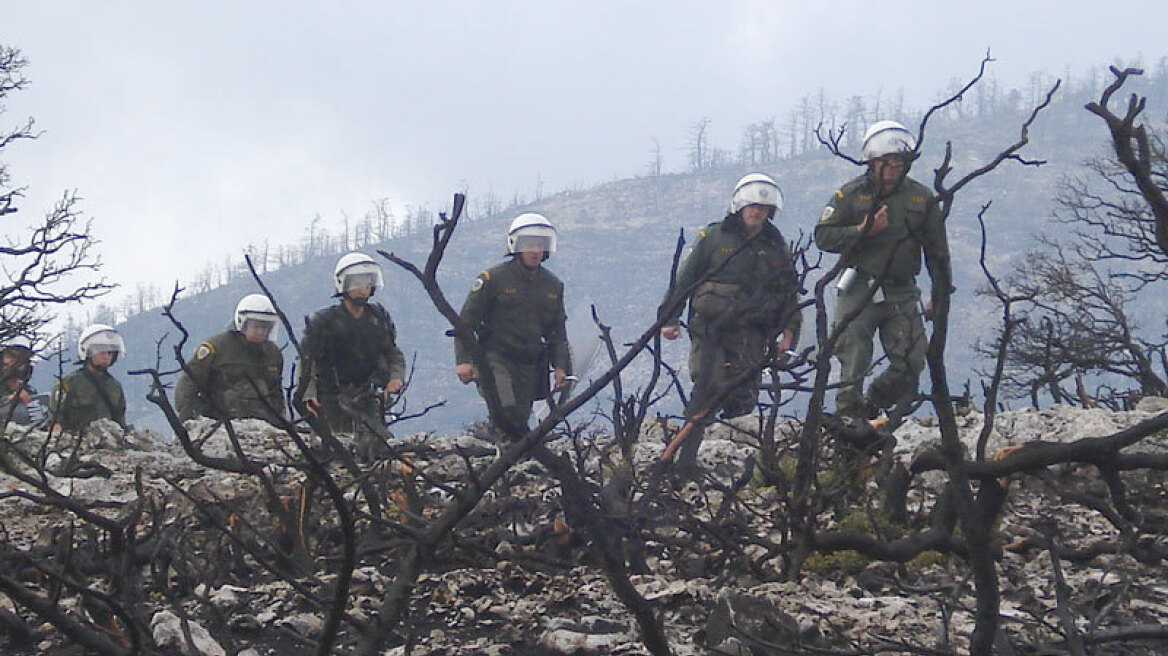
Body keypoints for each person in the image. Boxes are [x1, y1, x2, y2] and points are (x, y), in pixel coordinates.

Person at [659, 173, 802, 471]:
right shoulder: (713, 237)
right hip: (709, 326)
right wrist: (669, 318)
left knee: (744, 394)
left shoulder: (776, 246)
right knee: (707, 382)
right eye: (751, 206)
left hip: (751, 330)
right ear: (739, 205)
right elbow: (685, 278)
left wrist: (789, 332)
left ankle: (735, 459)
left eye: (763, 208)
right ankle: (688, 455)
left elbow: (788, 293)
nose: (756, 212)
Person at [813, 120, 951, 422]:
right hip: (859, 287)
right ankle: (848, 421)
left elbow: (938, 252)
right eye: (886, 161)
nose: (893, 166)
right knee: (853, 357)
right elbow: (823, 236)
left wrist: (939, 294)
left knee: (911, 359)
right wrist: (862, 231)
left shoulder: (921, 198)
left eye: (900, 161)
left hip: (901, 289)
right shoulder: (850, 195)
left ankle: (872, 408)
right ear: (872, 162)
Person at [455, 213, 572, 437]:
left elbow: (558, 332)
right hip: (495, 357)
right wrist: (463, 361)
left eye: (540, 245)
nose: (535, 251)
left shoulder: (553, 285)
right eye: (529, 244)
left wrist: (560, 367)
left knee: (519, 417)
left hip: (530, 363)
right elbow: (465, 322)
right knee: (504, 407)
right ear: (515, 245)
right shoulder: (493, 279)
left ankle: (513, 456)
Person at [295, 253, 406, 435]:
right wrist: (309, 394)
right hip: (330, 398)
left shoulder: (378, 318)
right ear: (343, 284)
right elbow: (307, 361)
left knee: (376, 443)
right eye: (357, 283)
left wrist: (396, 378)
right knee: (336, 444)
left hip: (367, 396)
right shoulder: (324, 322)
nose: (363, 289)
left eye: (367, 283)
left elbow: (392, 353)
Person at [175, 293, 286, 424]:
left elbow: (276, 394)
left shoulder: (273, 354)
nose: (261, 332)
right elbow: (188, 384)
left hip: (262, 425)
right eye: (256, 326)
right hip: (217, 424)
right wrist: (191, 420)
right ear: (241, 322)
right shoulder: (216, 347)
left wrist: (280, 423)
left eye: (266, 327)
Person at [49, 324, 128, 432]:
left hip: (108, 444)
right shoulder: (68, 384)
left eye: (110, 353)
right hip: (75, 444)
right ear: (87, 351)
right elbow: (55, 423)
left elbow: (120, 422)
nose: (106, 356)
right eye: (102, 351)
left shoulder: (115, 386)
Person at [0, 340, 43, 426]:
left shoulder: (29, 391)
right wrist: (9, 400)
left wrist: (30, 405)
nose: (15, 362)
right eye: (11, 356)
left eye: (21, 358)